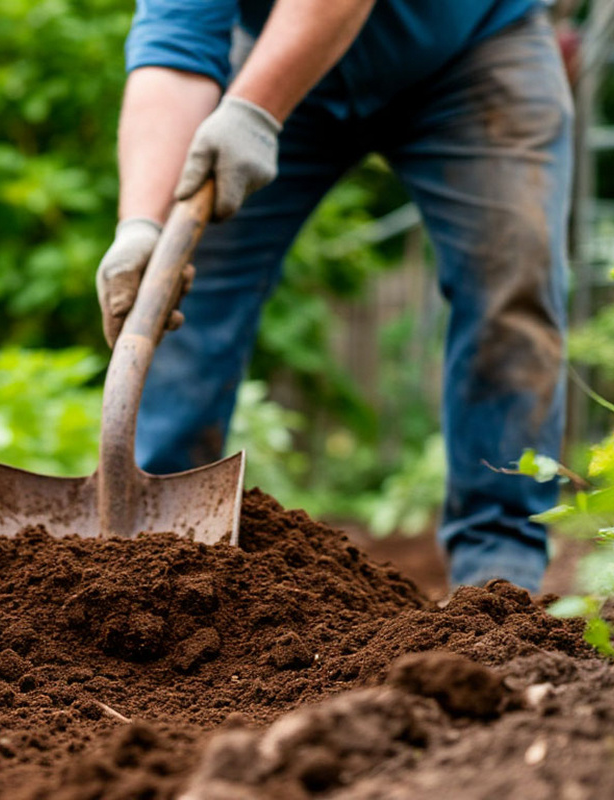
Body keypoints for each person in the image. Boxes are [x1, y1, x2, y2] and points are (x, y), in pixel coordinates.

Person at [95, 0, 573, 593]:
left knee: (512, 274)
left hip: (472, 43)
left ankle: (500, 577)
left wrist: (252, 110)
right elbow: (174, 48)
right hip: (280, 44)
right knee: (188, 276)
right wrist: (141, 224)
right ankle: (159, 549)